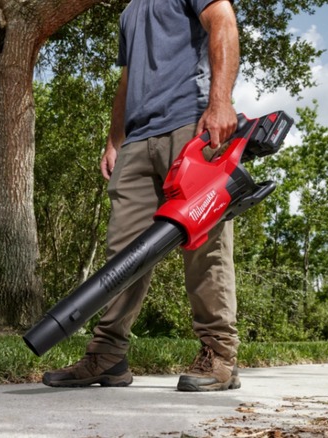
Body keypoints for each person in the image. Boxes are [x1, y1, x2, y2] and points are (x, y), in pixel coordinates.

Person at [42, 0, 241, 392]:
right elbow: (128, 77)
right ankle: (108, 355)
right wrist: (115, 139)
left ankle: (219, 354)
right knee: (123, 253)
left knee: (205, 244)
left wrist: (221, 101)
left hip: (191, 124)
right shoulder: (130, 10)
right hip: (137, 139)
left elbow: (223, 22)